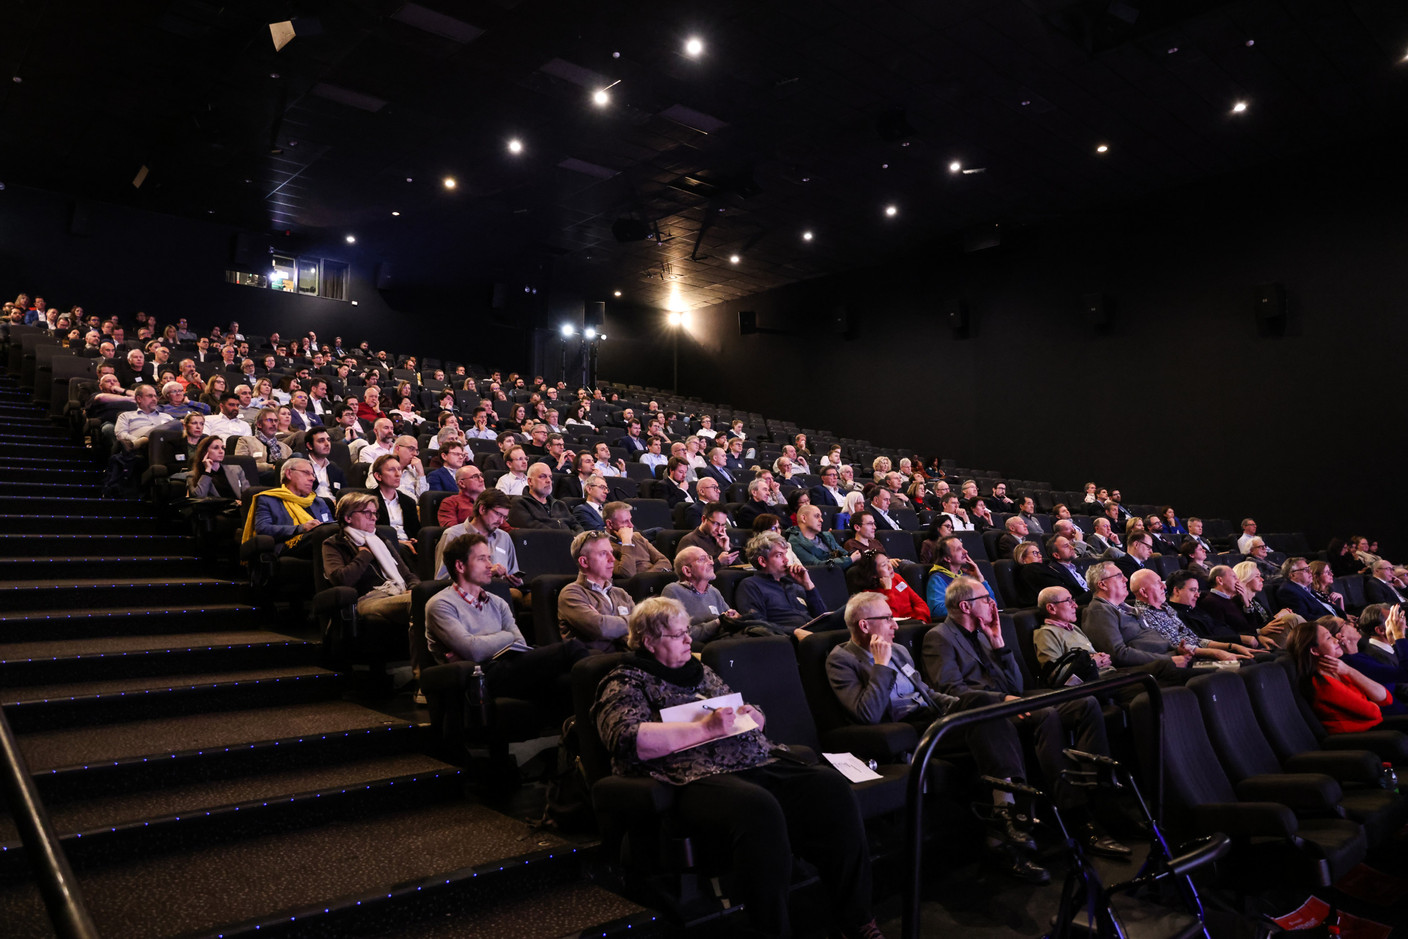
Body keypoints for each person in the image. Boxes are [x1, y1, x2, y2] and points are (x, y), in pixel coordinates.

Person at [593, 597, 883, 938]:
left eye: (688, 632)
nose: (689, 640)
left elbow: (736, 707)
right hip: (689, 775)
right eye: (678, 635)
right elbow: (626, 738)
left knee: (829, 788)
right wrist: (706, 729)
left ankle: (856, 918)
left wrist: (754, 716)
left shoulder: (700, 671)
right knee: (757, 806)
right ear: (648, 641)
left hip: (752, 760)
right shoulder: (626, 680)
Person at [827, 591, 1052, 884]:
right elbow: (867, 714)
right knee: (986, 711)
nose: (895, 625)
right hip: (910, 734)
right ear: (865, 625)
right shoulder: (841, 659)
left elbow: (928, 694)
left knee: (985, 706)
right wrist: (880, 666)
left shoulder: (900, 651)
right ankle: (1010, 817)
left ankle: (1004, 821)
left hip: (936, 720)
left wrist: (960, 704)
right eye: (887, 619)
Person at [924, 576, 1131, 859]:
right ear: (965, 606)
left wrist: (999, 644)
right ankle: (1076, 814)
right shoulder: (938, 637)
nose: (992, 603)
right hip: (986, 715)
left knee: (1085, 703)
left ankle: (1100, 795)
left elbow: (1016, 685)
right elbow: (952, 690)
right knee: (1045, 714)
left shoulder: (987, 633)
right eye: (985, 599)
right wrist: (1002, 700)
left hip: (1013, 703)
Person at [425, 533, 588, 705]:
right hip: (480, 676)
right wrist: (506, 636)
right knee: (572, 649)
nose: (490, 565)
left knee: (571, 680)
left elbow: (519, 642)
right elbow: (474, 650)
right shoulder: (441, 604)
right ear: (460, 565)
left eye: (489, 558)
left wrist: (483, 643)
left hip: (510, 665)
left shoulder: (497, 602)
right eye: (482, 559)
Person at [322, 491, 420, 633]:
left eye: (375, 513)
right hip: (367, 599)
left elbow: (407, 575)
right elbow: (341, 579)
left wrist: (414, 588)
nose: (374, 518)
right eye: (367, 513)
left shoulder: (380, 540)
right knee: (421, 602)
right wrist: (365, 554)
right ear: (348, 517)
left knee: (431, 597)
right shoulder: (334, 544)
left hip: (398, 593)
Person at [1287, 617, 1394, 734]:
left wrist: (1349, 671)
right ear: (1314, 651)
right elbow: (1374, 712)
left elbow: (1385, 698)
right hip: (1361, 740)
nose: (1336, 640)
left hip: (1377, 730)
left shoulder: (1338, 669)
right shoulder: (1323, 683)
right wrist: (1372, 704)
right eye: (1328, 638)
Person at [1080, 562, 1192, 671]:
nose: (1126, 579)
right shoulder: (1098, 611)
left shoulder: (1123, 607)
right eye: (1119, 576)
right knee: (1204, 680)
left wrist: (1177, 650)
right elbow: (1118, 654)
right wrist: (1169, 659)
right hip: (1153, 668)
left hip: (1169, 659)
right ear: (1102, 584)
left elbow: (1150, 640)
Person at [734, 531, 827, 637]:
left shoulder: (793, 584)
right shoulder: (751, 585)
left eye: (785, 554)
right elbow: (758, 626)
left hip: (815, 635)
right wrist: (795, 632)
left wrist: (808, 586)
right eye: (779, 555)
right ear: (762, 561)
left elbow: (822, 617)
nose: (786, 560)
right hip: (788, 641)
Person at [558, 530, 635, 651]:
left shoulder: (621, 593)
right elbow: (602, 628)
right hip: (598, 664)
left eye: (611, 552)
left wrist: (608, 622)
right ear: (584, 561)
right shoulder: (572, 593)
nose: (613, 559)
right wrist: (634, 621)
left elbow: (641, 629)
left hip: (628, 658)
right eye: (603, 554)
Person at [661, 545, 739, 650]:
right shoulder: (673, 591)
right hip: (699, 650)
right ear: (687, 571)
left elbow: (727, 619)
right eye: (702, 559)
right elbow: (677, 634)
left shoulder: (713, 591)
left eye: (709, 558)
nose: (711, 563)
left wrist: (733, 617)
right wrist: (717, 623)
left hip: (722, 644)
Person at [848, 550, 930, 622]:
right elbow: (891, 618)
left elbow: (920, 603)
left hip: (915, 622)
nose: (890, 567)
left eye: (888, 561)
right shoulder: (869, 594)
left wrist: (921, 620)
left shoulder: (897, 578)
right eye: (884, 565)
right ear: (874, 574)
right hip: (899, 630)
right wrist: (888, 590)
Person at [925, 535, 994, 618]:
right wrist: (972, 607)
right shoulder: (938, 579)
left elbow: (993, 604)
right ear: (947, 558)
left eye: (963, 547)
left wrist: (980, 579)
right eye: (958, 549)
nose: (965, 551)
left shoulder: (967, 576)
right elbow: (937, 610)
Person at [507, 462, 581, 531]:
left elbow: (576, 526)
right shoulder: (519, 503)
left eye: (550, 477)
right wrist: (567, 536)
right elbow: (534, 529)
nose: (549, 481)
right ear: (530, 481)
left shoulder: (560, 504)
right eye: (543, 477)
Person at [604, 501, 672, 576]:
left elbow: (665, 562)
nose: (631, 525)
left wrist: (647, 577)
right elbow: (626, 573)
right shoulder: (603, 546)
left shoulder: (637, 537)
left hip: (653, 580)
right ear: (609, 524)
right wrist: (626, 543)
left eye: (630, 520)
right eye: (625, 521)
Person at [789, 504, 856, 570]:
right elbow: (817, 566)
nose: (821, 520)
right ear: (804, 518)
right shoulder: (794, 542)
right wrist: (849, 560)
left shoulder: (827, 536)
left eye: (821, 516)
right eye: (817, 516)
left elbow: (845, 553)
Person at [677, 503, 741, 571]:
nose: (719, 530)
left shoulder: (721, 539)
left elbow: (740, 567)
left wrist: (727, 548)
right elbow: (691, 572)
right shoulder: (689, 540)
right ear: (704, 519)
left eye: (722, 525)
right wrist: (719, 562)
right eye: (716, 524)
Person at [187, 435, 250, 502]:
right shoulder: (192, 475)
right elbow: (198, 498)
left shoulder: (236, 469)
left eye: (222, 448)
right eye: (216, 448)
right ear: (204, 452)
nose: (221, 451)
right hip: (217, 510)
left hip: (240, 508)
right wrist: (207, 471)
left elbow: (248, 493)